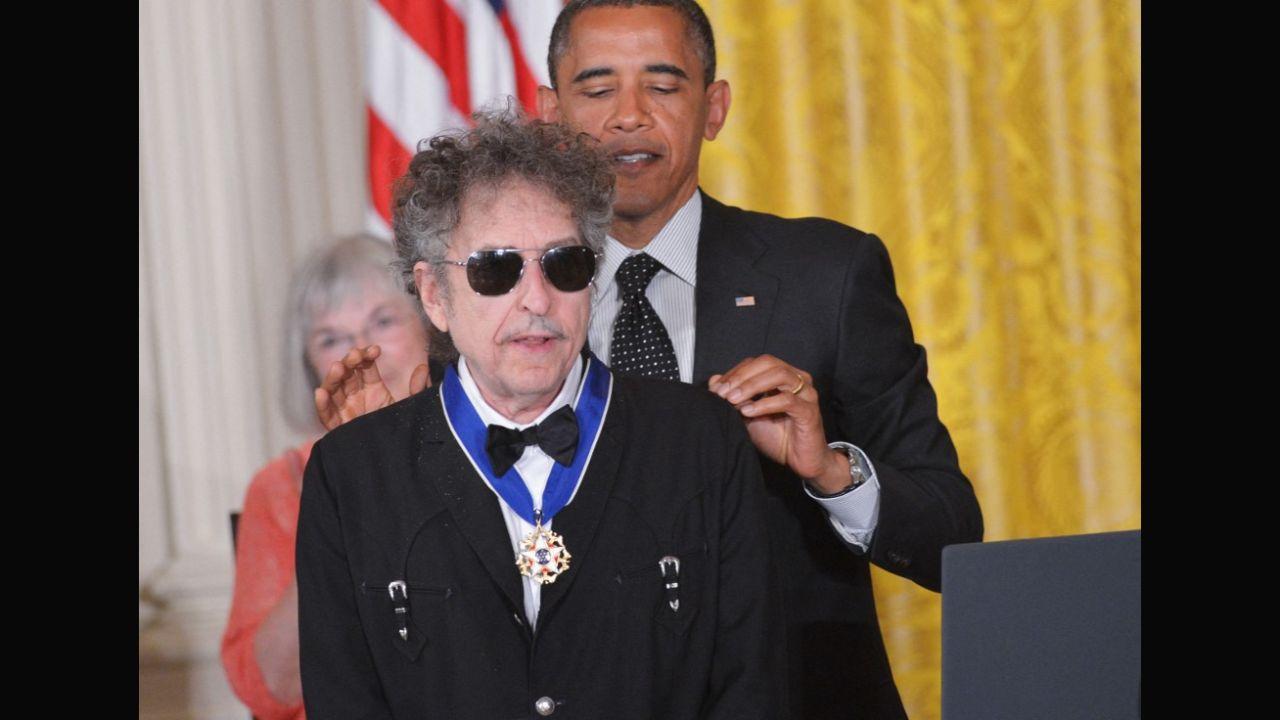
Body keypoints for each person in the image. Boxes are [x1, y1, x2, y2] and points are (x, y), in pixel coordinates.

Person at [317, 2, 984, 716]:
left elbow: (954, 539)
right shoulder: (489, 305)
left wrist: (831, 472)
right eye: (598, 89)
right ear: (550, 110)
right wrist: (402, 458)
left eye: (663, 87)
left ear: (714, 105)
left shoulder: (829, 274)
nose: (629, 116)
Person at [295, 112, 784, 720]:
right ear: (432, 295)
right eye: (496, 270)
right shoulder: (352, 474)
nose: (536, 299)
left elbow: (748, 689)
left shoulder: (699, 441)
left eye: (564, 264)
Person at [221, 234, 432, 720]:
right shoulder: (281, 488)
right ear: (308, 365)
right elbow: (268, 690)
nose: (363, 351)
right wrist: (342, 512)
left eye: (383, 320)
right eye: (331, 338)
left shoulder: (494, 447)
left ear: (430, 321)